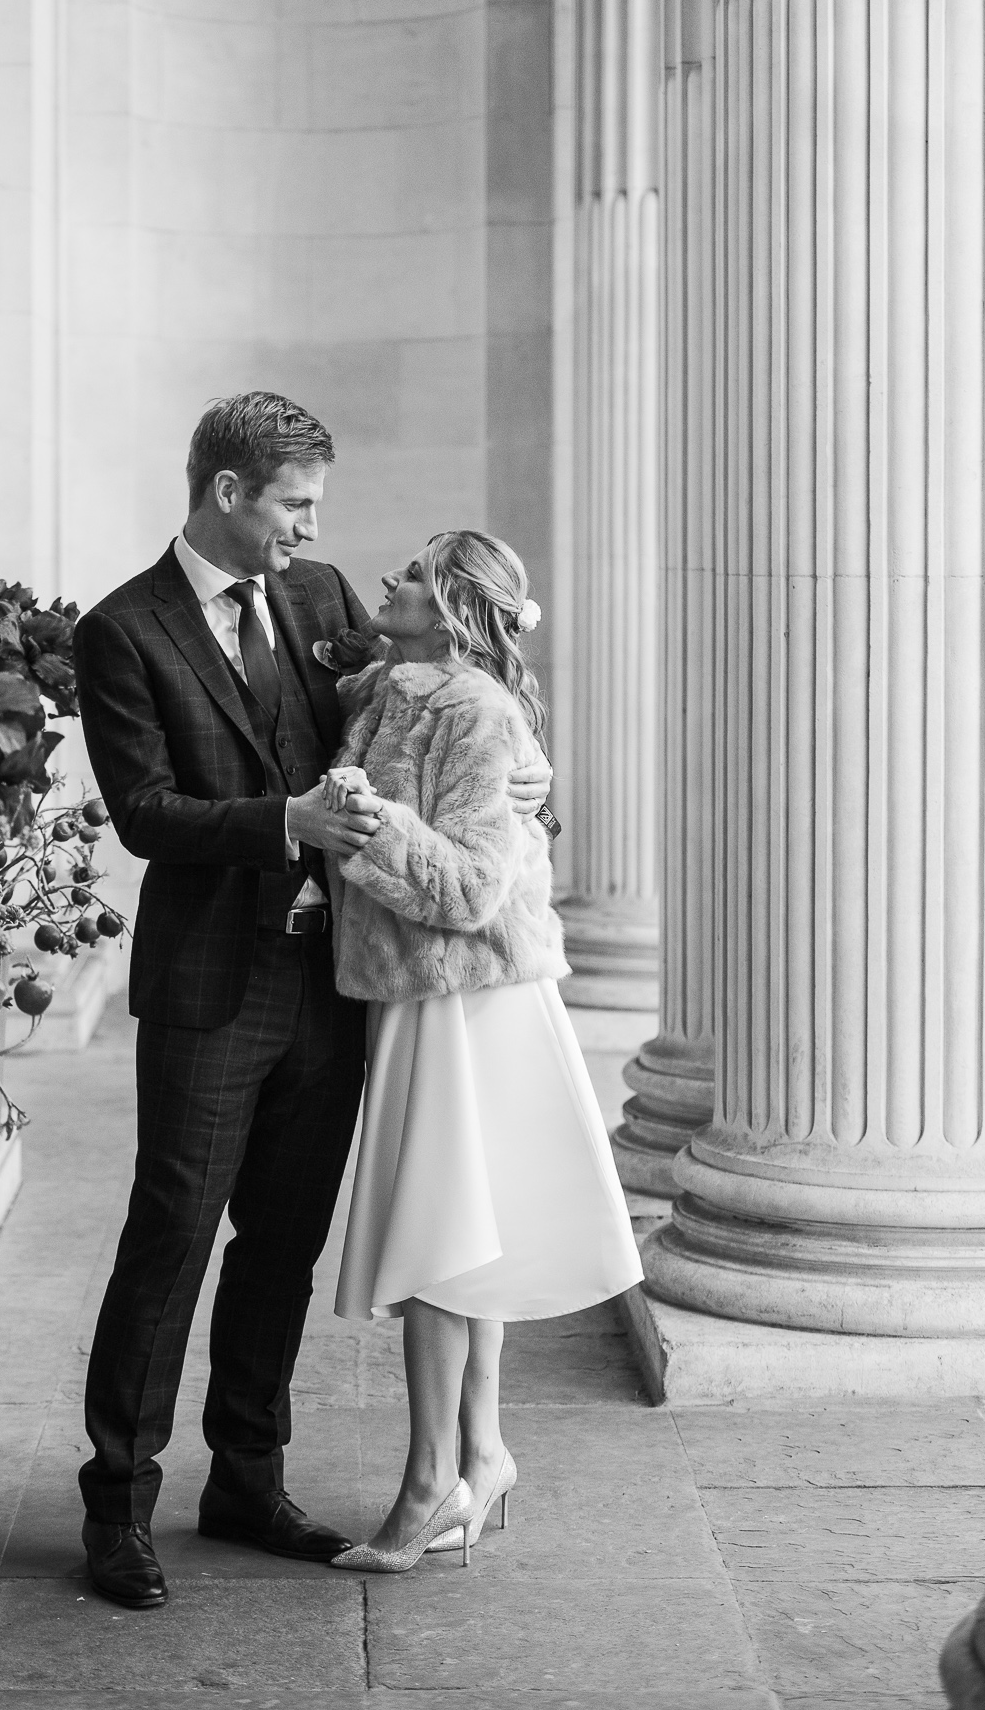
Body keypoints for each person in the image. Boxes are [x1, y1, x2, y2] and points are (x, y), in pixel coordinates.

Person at [71, 396, 552, 1609]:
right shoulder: (121, 630)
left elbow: (447, 708)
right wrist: (284, 821)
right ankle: (117, 1504)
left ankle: (247, 1479)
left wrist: (531, 771)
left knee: (280, 1242)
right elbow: (144, 812)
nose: (312, 526)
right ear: (228, 492)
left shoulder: (326, 596)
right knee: (171, 1235)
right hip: (209, 984)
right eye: (294, 502)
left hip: (334, 985)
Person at [323, 530, 643, 1573]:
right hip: (427, 995)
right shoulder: (397, 686)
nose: (387, 580)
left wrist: (366, 823)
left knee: (440, 1246)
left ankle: (427, 1482)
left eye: (412, 576)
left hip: (468, 998)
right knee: (464, 1232)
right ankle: (486, 1453)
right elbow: (337, 665)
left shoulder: (474, 710)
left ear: (454, 606)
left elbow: (465, 889)